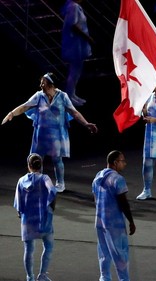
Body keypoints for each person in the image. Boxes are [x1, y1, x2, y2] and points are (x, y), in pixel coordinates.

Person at [1, 72, 98, 192]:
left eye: (43, 82)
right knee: (36, 158)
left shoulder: (63, 96)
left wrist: (86, 123)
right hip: (41, 133)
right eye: (41, 82)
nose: (41, 84)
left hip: (57, 134)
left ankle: (60, 184)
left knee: (57, 159)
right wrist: (12, 113)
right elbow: (25, 106)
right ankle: (36, 181)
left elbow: (74, 112)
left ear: (51, 84)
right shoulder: (39, 96)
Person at [92, 150, 136, 281]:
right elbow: (123, 203)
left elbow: (95, 198)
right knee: (120, 254)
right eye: (123, 161)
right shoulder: (117, 179)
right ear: (115, 162)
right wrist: (131, 221)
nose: (125, 164)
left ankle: (104, 278)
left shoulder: (97, 176)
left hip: (100, 221)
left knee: (104, 253)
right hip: (114, 223)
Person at [14, 153, 57, 281]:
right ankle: (42, 275)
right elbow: (53, 191)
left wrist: (20, 213)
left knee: (29, 249)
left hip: (28, 220)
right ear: (41, 165)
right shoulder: (44, 179)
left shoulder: (21, 181)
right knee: (49, 246)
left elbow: (18, 202)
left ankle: (30, 277)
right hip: (44, 218)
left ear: (28, 165)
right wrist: (51, 207)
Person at [61, 0, 95, 106]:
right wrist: (87, 37)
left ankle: (72, 94)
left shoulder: (75, 6)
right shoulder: (73, 6)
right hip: (75, 43)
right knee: (74, 71)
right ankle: (69, 97)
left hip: (78, 43)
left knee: (77, 70)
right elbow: (73, 25)